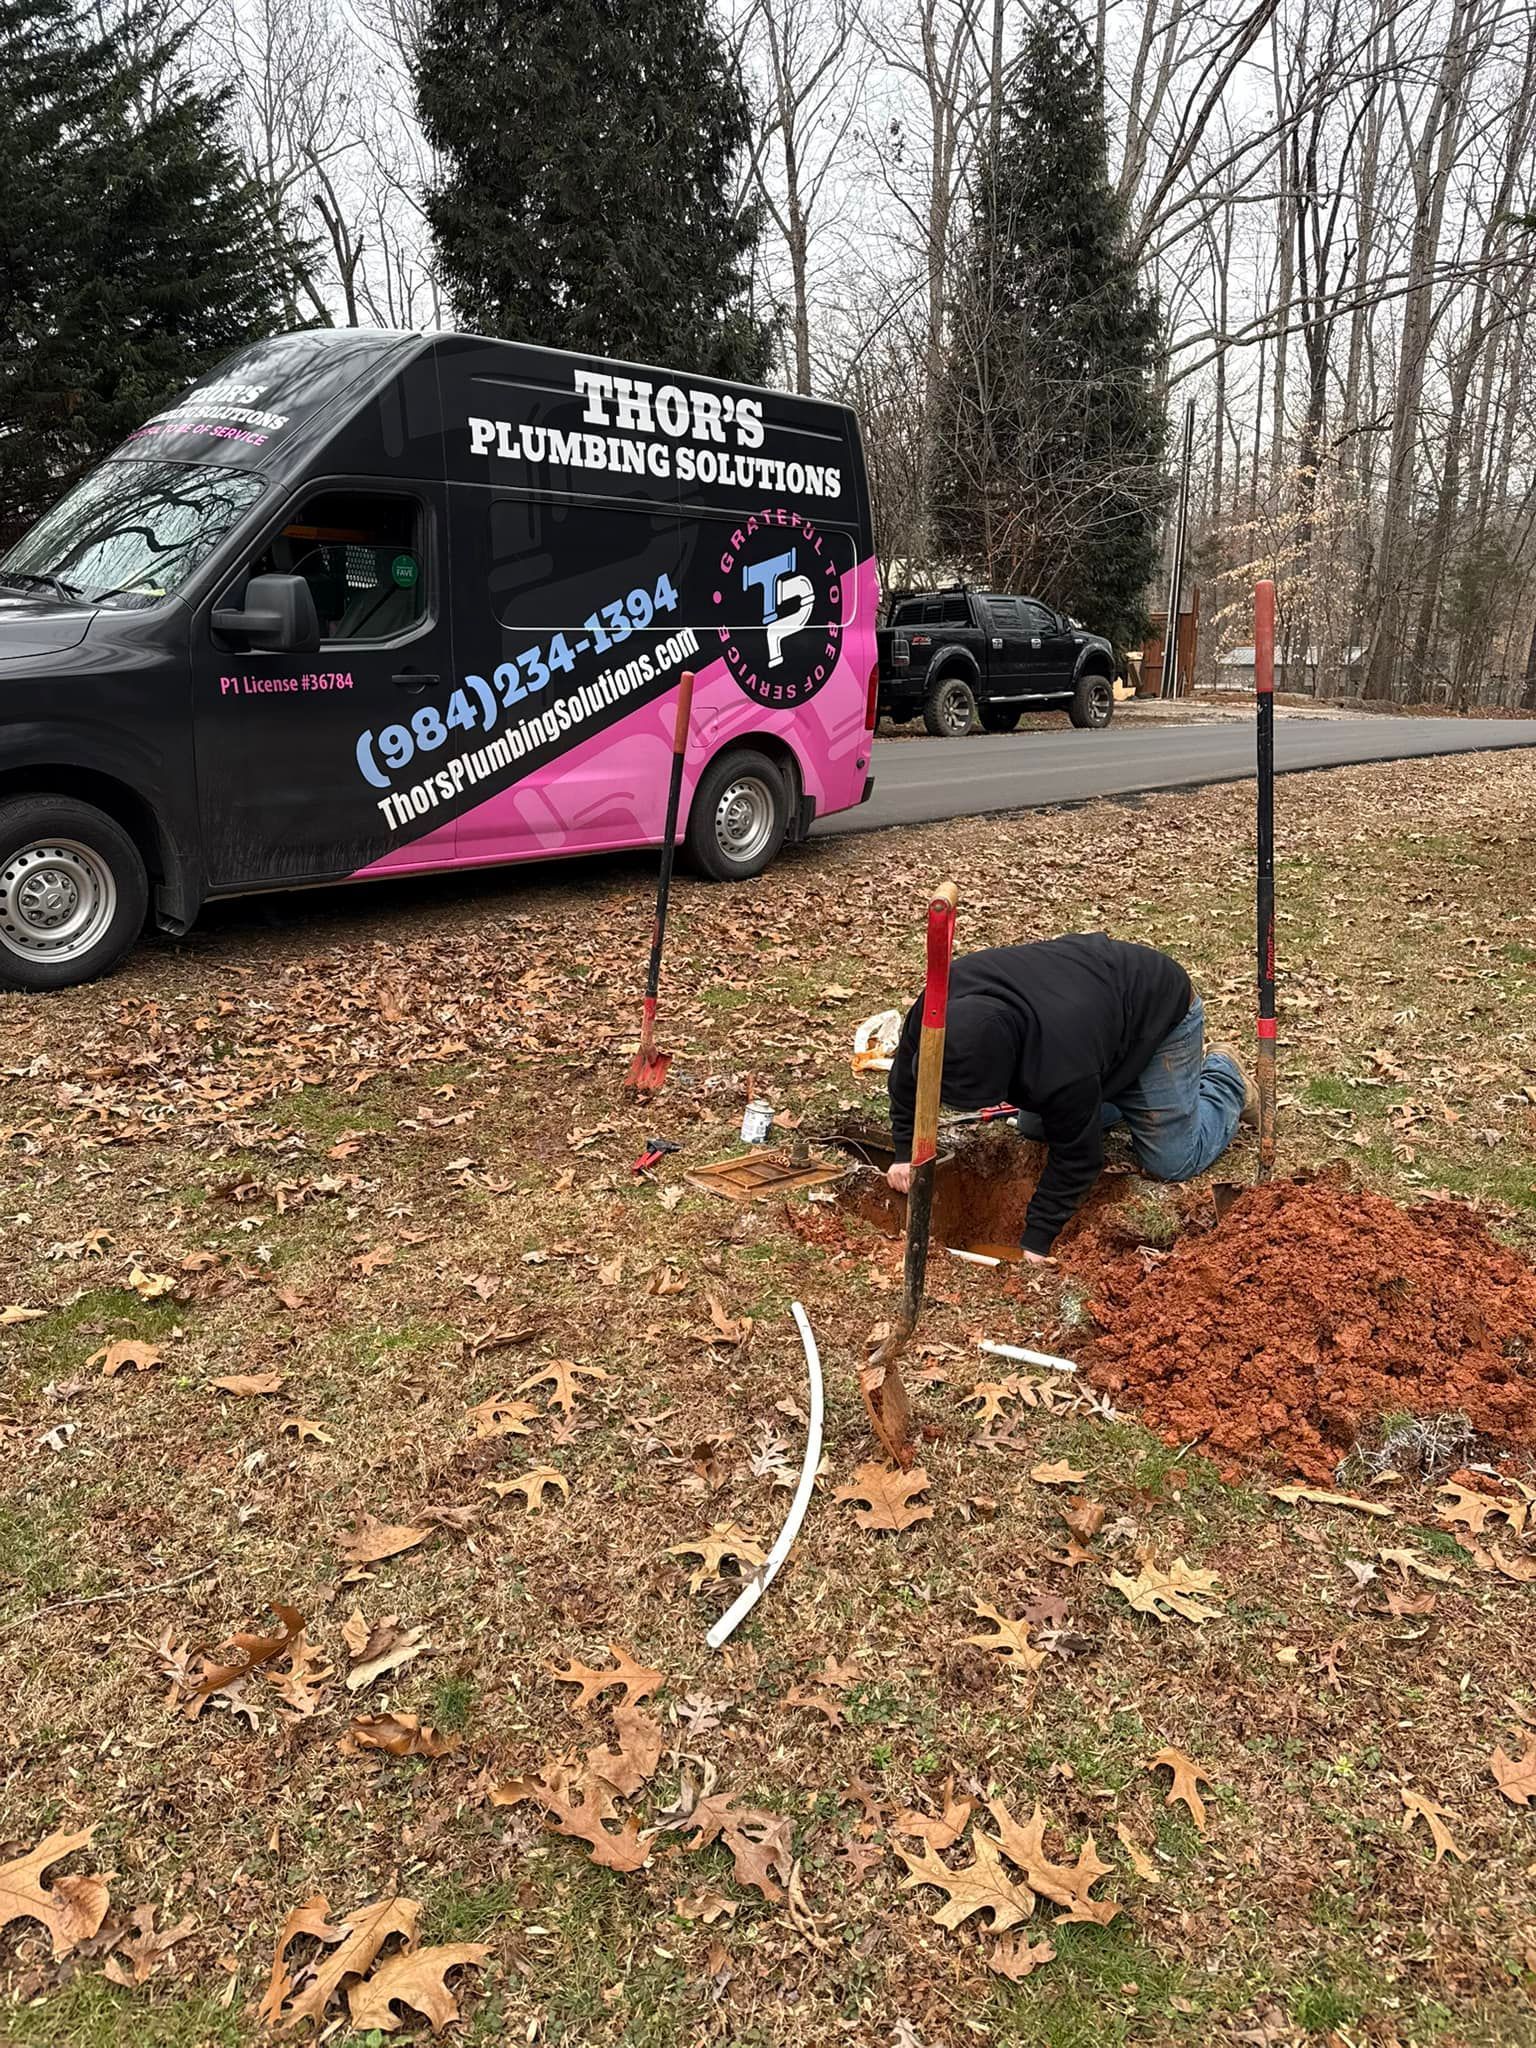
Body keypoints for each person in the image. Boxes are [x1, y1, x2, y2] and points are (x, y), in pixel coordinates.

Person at [886, 934, 1254, 1262]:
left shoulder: (1060, 1064)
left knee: (1172, 1160)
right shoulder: (935, 1011)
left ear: (1010, 1068)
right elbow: (905, 1079)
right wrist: (904, 1152)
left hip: (1158, 1013)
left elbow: (1080, 1158)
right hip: (1094, 1019)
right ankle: (1129, 1096)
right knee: (1038, 1126)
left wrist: (1037, 1239)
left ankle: (1226, 1077)